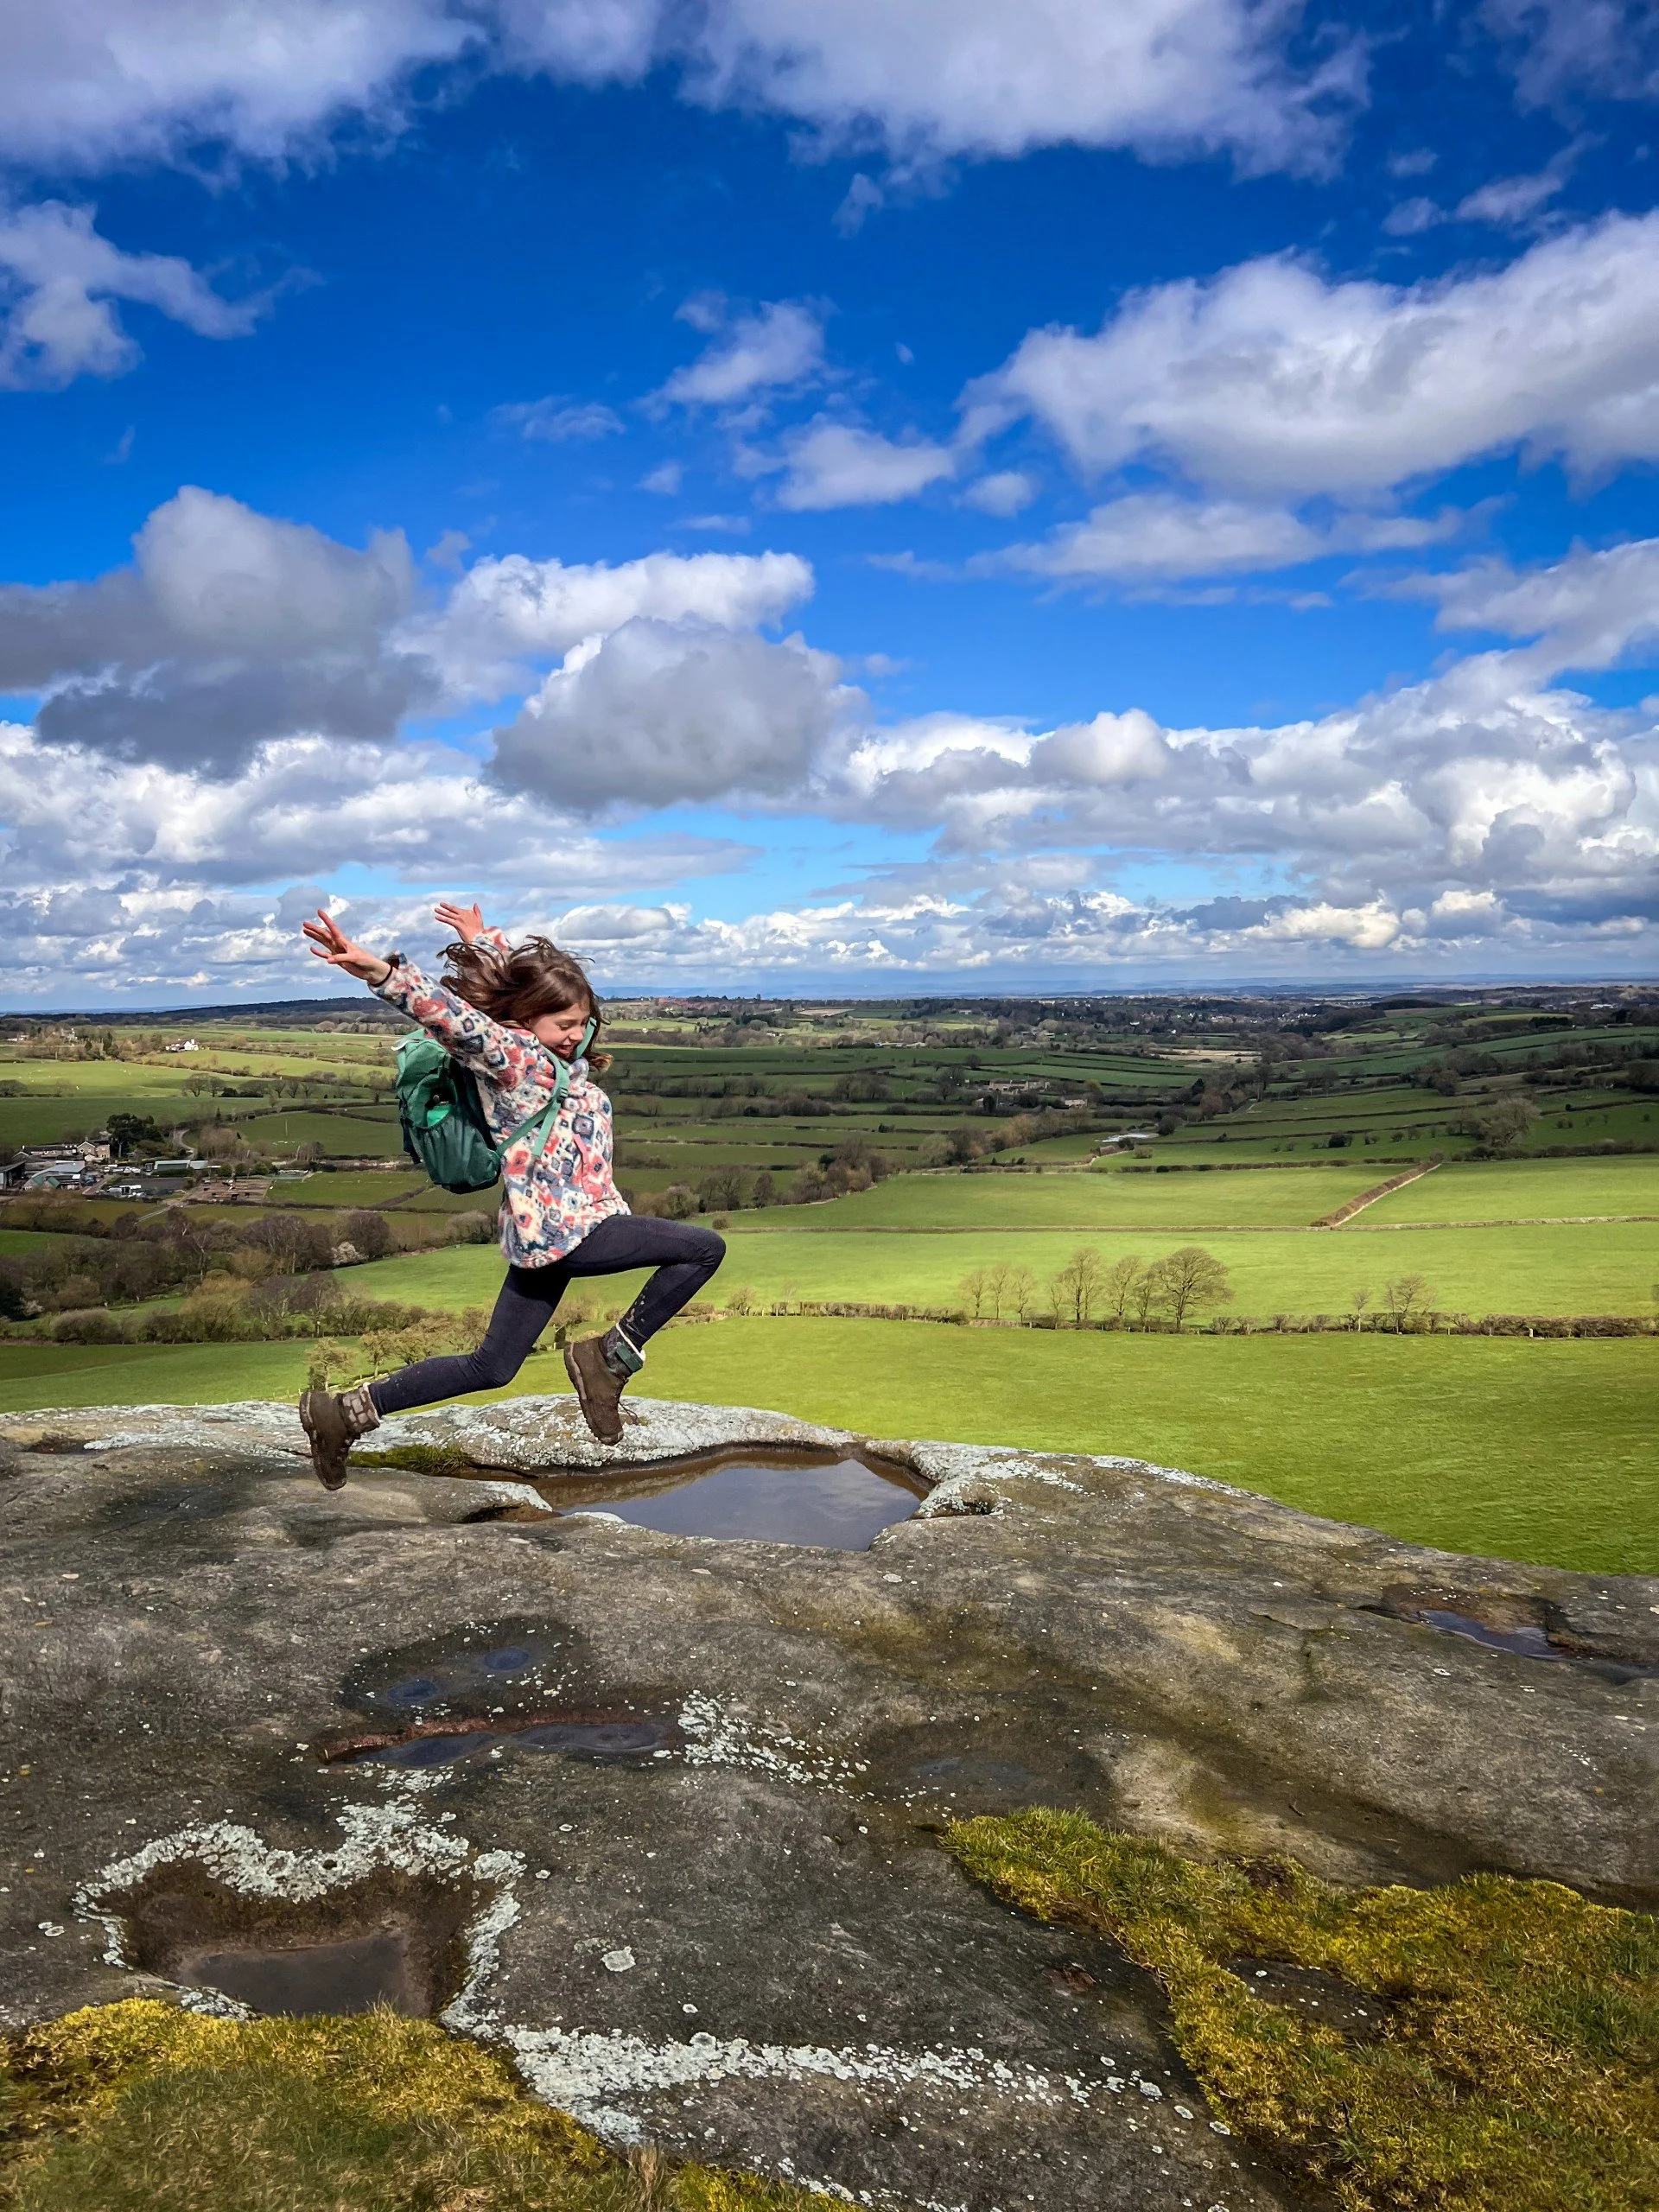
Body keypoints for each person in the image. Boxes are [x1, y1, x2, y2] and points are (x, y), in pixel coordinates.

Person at [295, 899, 724, 1487]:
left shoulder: (560, 1062)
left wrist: (483, 943)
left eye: (582, 1022)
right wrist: (381, 973)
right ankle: (608, 1359)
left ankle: (343, 1414)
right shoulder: (515, 1059)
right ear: (528, 1026)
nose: (576, 1035)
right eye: (563, 1026)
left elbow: (519, 996)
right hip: (571, 1231)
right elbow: (454, 1019)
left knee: (492, 1366)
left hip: (541, 1235)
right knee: (702, 1249)